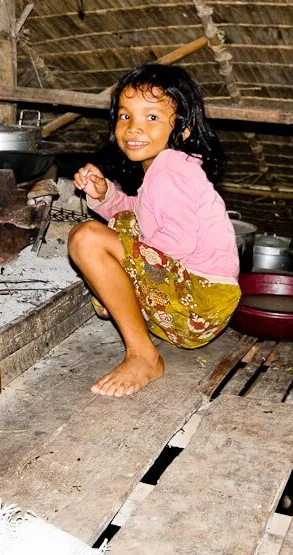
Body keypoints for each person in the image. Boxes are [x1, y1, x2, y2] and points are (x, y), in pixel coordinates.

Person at [68, 64, 241, 397]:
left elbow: (177, 242)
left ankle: (143, 356)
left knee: (87, 238)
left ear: (184, 129)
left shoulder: (171, 168)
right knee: (123, 225)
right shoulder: (164, 169)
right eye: (125, 116)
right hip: (196, 306)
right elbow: (140, 215)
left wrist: (121, 265)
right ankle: (141, 319)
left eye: (151, 118)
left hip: (200, 300)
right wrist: (105, 196)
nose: (134, 128)